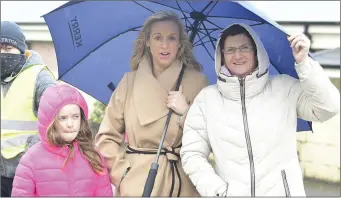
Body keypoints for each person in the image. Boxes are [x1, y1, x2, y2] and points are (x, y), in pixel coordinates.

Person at [180, 23, 340, 196]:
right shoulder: (207, 99)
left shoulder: (284, 87)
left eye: (244, 48)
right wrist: (218, 192)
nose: (238, 55)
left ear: (256, 52)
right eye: (230, 49)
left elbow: (328, 107)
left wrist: (304, 63)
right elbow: (192, 154)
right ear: (222, 55)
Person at [95, 11, 209, 196]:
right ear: (147, 42)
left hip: (181, 184)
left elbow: (210, 137)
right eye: (158, 37)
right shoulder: (129, 82)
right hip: (137, 184)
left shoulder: (197, 83)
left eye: (171, 38)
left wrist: (186, 112)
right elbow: (106, 137)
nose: (165, 45)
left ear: (180, 43)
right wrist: (122, 174)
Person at [11, 84, 113, 196]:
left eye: (75, 116)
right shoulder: (31, 160)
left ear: (82, 118)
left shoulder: (94, 157)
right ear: (49, 120)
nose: (70, 124)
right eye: (63, 118)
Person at [0, 21, 57, 197]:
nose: (2, 54)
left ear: (21, 51)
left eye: (8, 49)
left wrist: (33, 151)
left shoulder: (39, 76)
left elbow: (58, 116)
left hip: (28, 172)